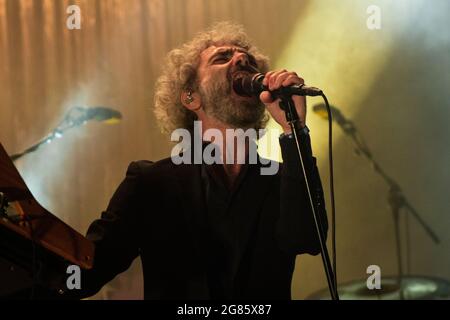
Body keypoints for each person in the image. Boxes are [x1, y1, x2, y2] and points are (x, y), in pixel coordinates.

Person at [60, 22, 328, 300]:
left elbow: (306, 239)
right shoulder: (151, 183)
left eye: (247, 61)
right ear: (191, 97)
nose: (241, 59)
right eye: (222, 58)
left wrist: (294, 130)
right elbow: (86, 272)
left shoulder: (284, 179)